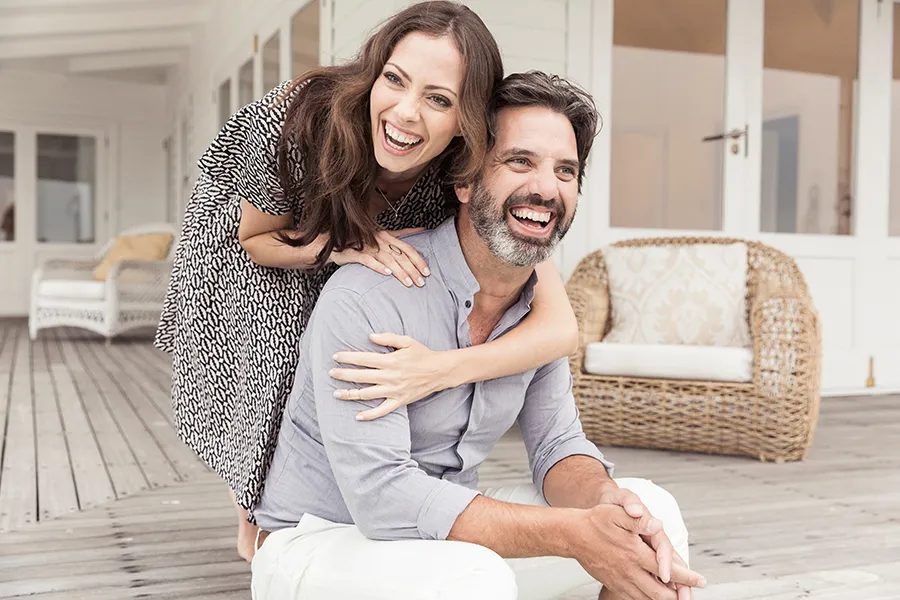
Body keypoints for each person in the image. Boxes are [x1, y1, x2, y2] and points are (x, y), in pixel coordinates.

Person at [250, 72, 706, 600]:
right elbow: (382, 497)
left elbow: (558, 446)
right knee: (475, 578)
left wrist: (603, 501)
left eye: (565, 170)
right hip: (321, 544)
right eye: (520, 161)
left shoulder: (533, 315)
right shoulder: (370, 295)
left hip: (439, 545)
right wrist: (572, 535)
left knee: (652, 516)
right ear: (465, 182)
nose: (545, 187)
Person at [155, 1, 581, 563]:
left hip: (352, 234)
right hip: (255, 240)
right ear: (374, 71)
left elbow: (560, 330)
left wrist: (436, 370)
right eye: (395, 80)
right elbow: (257, 237)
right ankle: (257, 520)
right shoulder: (306, 122)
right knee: (284, 352)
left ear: (467, 123)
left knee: (353, 309)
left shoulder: (468, 171)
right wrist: (342, 247)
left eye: (438, 99)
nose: (406, 113)